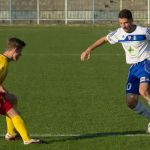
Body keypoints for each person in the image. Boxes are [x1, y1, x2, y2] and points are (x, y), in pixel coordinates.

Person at [80, 9, 150, 133]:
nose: (124, 26)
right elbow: (104, 39)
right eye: (121, 23)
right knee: (131, 101)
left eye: (126, 23)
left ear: (132, 21)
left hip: (146, 63)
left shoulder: (144, 31)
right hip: (133, 68)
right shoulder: (119, 33)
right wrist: (88, 49)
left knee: (143, 91)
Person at [0, 37, 41, 144]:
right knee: (14, 113)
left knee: (12, 99)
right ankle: (27, 140)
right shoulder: (2, 63)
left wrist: (2, 89)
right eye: (20, 51)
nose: (20, 55)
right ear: (14, 49)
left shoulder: (3, 60)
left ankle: (11, 134)